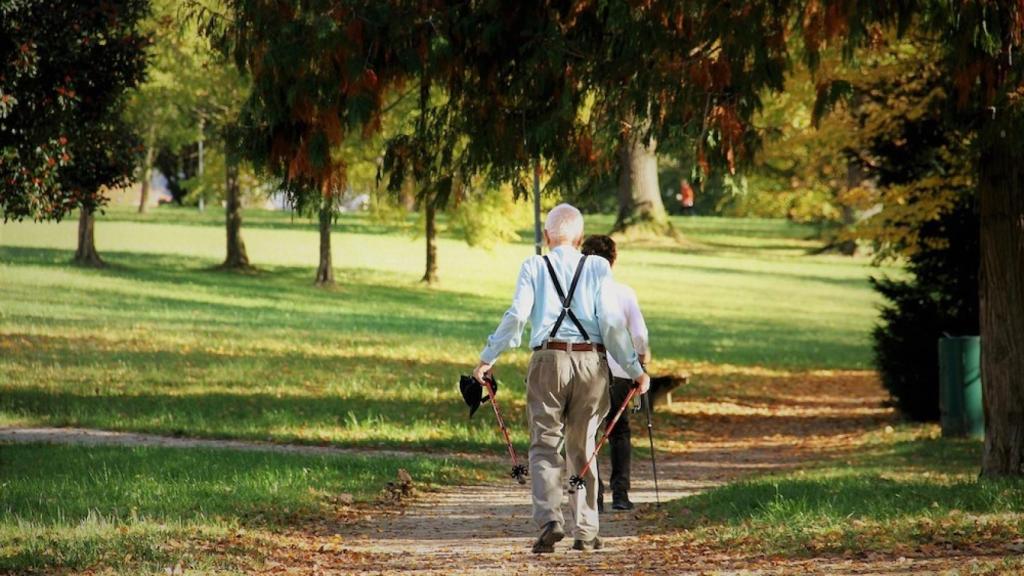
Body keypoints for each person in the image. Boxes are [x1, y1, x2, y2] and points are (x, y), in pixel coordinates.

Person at [473, 203, 650, 554]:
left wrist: (487, 358)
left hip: (547, 360)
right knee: (584, 445)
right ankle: (586, 530)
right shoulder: (598, 267)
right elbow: (613, 326)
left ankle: (550, 520)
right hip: (590, 362)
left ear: (546, 236)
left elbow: (517, 316)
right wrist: (635, 369)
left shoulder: (534, 266)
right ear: (580, 238)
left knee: (543, 443)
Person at [581, 235, 650, 512]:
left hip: (589, 368)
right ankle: (620, 493)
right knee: (619, 431)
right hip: (621, 369)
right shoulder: (624, 292)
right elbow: (640, 334)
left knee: (589, 430)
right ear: (614, 260)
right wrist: (641, 361)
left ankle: (593, 495)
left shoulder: (580, 294)